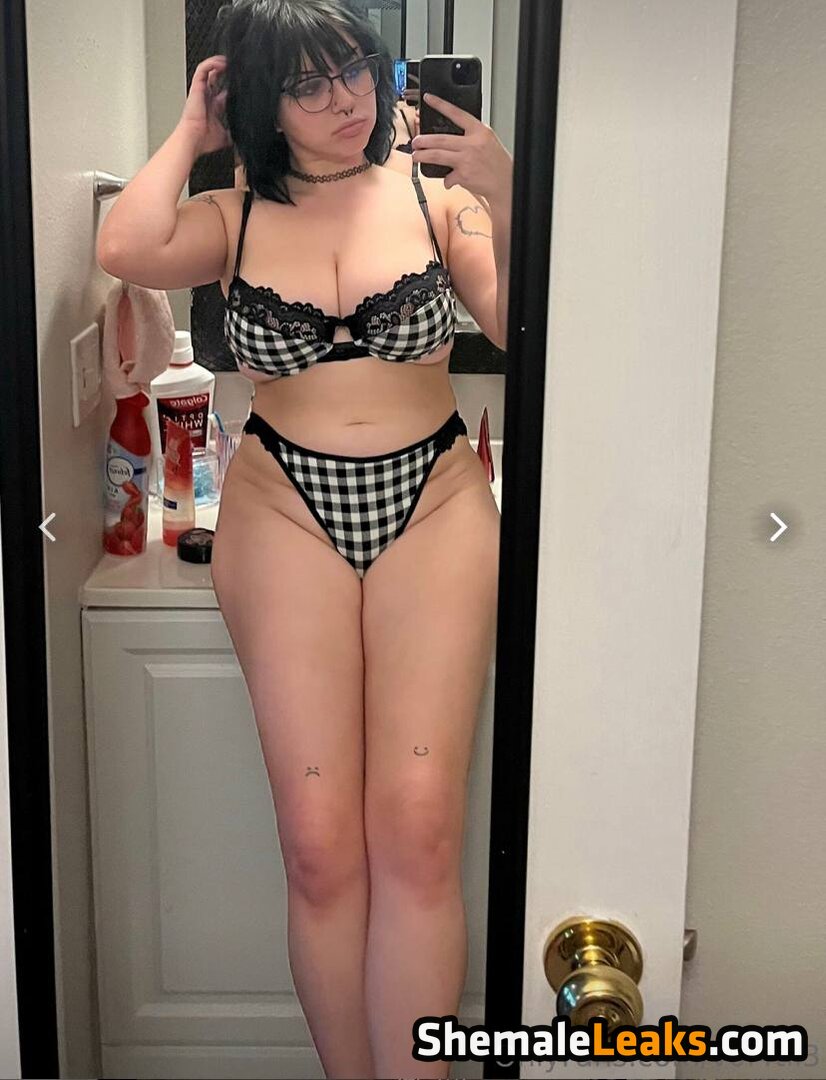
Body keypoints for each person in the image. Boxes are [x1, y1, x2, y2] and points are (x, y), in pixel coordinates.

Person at [98, 1, 512, 1075]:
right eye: (308, 84)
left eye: (357, 72)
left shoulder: (438, 202)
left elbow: (521, 324)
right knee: (321, 848)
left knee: (418, 828)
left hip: (433, 502)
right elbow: (126, 244)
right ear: (260, 104)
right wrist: (192, 130)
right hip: (284, 509)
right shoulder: (229, 216)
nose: (346, 101)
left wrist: (504, 187)